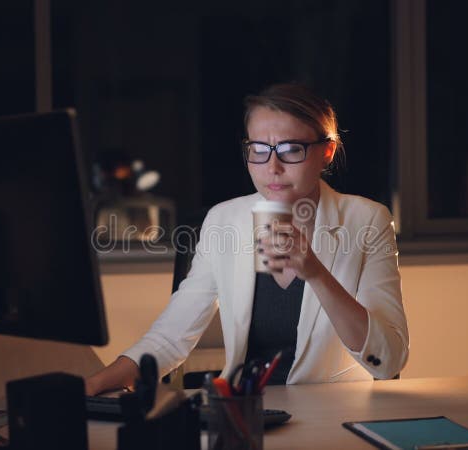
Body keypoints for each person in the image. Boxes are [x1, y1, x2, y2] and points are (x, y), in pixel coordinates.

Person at [85, 83, 408, 395]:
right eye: (259, 150)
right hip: (246, 409)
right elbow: (170, 338)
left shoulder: (366, 221)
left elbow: (388, 360)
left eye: (290, 150)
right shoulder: (224, 220)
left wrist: (316, 273)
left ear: (327, 151)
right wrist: (93, 385)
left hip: (333, 414)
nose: (273, 167)